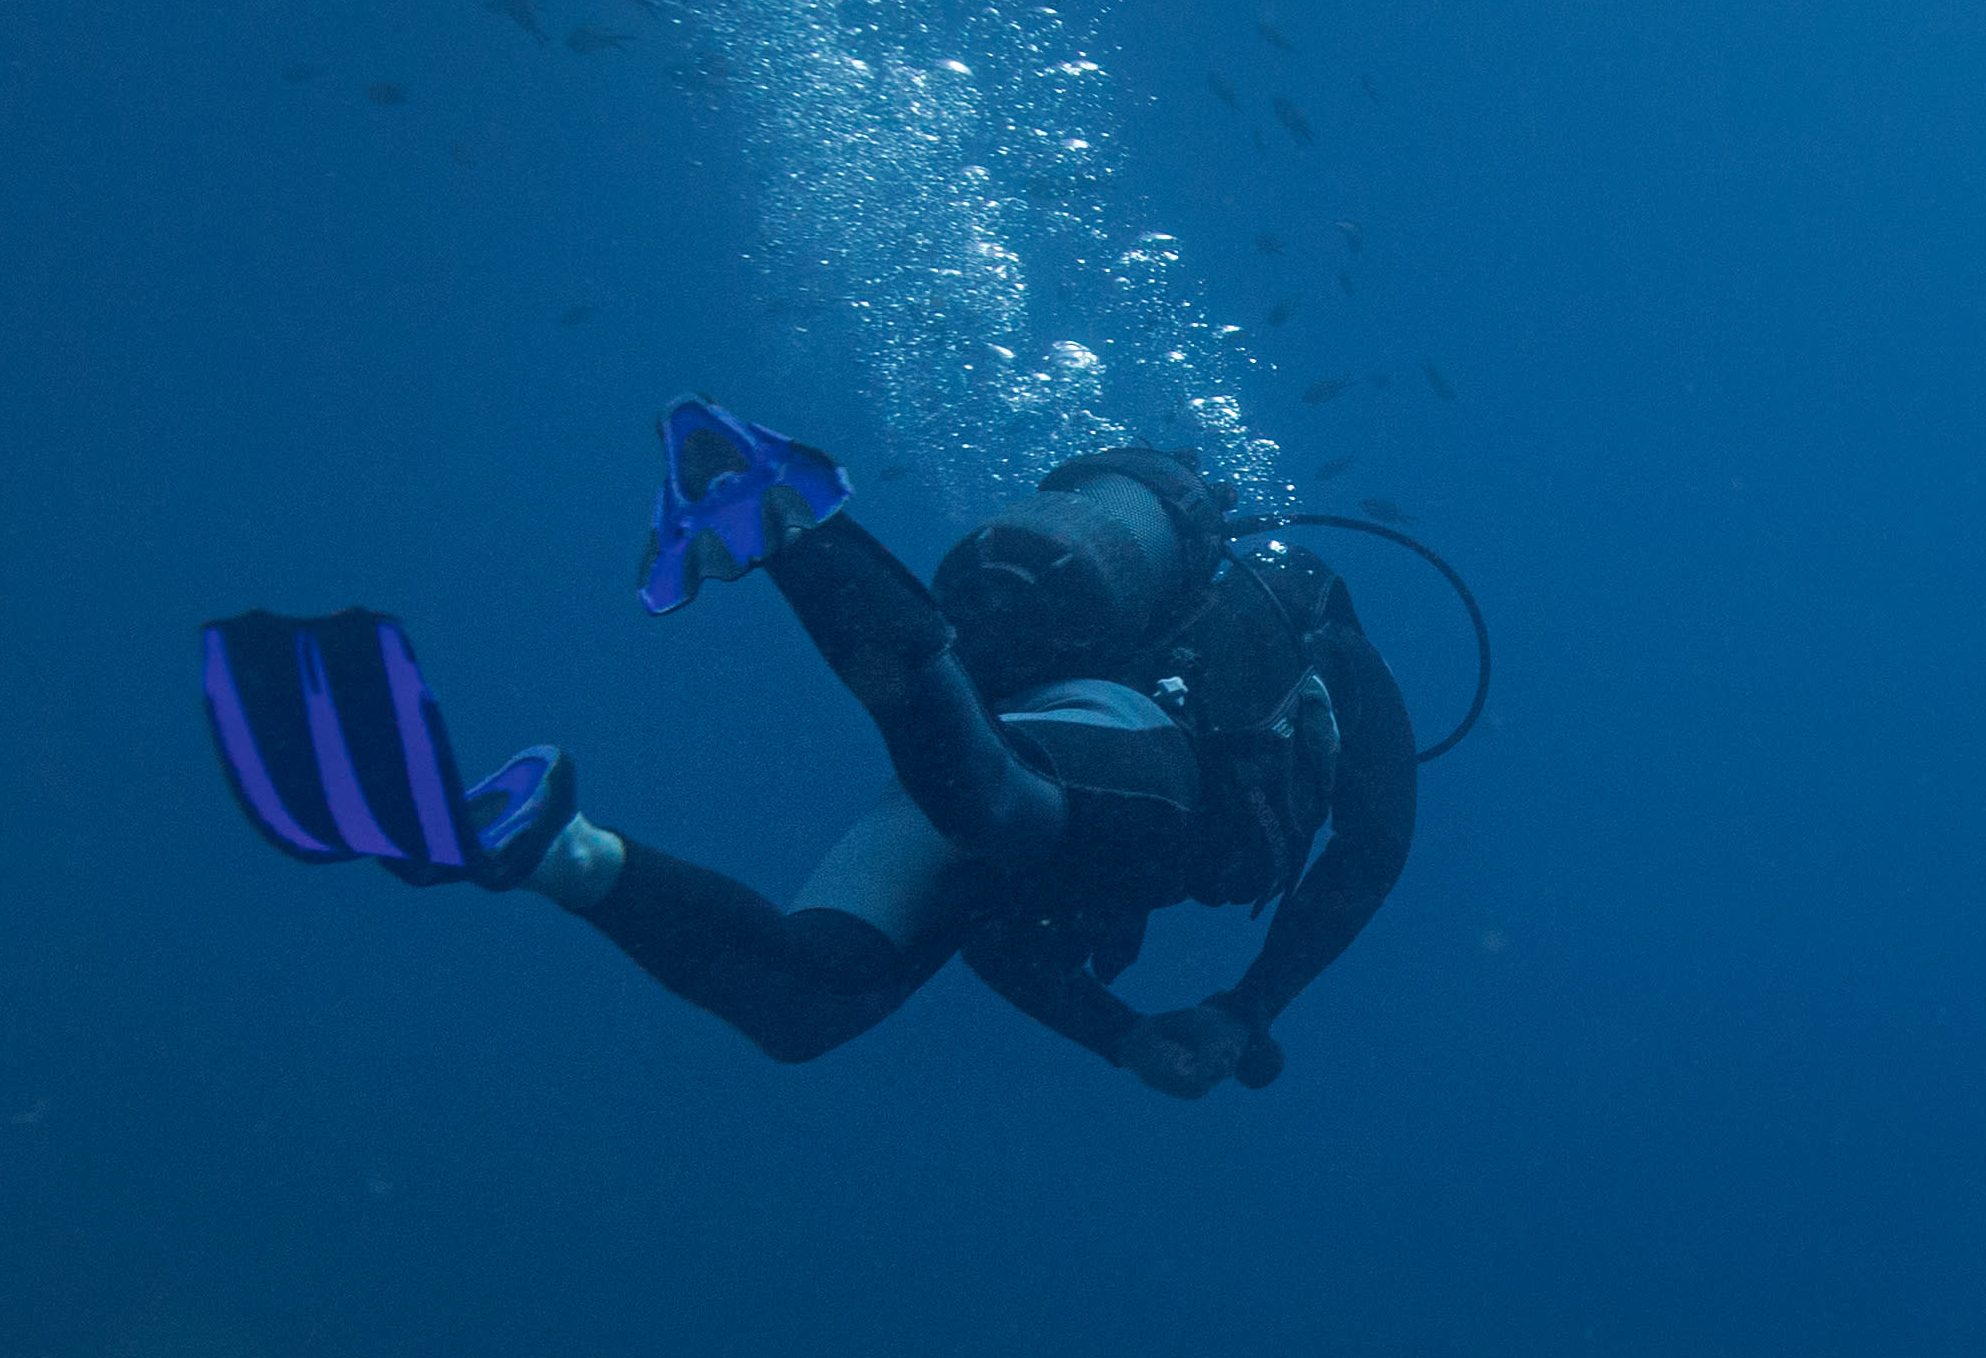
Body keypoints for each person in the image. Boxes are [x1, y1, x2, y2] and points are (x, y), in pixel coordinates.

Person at [203, 405, 1419, 1100]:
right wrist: (1250, 1005)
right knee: (999, 806)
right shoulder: (1324, 643)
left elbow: (1000, 933)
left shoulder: (1232, 649)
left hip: (993, 747)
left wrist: (1118, 1033)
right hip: (1087, 751)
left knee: (802, 1003)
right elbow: (1371, 850)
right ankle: (778, 515)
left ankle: (545, 845)